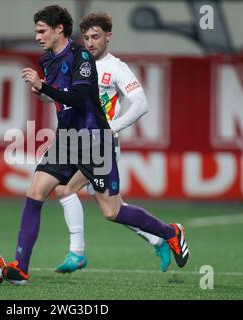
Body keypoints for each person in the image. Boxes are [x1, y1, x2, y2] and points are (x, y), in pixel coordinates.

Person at [4, 5, 189, 285]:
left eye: (42, 31)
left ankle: (169, 232)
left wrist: (44, 88)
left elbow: (78, 98)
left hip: (95, 142)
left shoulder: (83, 59)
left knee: (112, 211)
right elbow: (60, 96)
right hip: (66, 138)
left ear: (59, 30)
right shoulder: (49, 58)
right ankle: (21, 267)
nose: (37, 37)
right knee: (36, 191)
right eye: (36, 32)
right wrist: (43, 93)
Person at [54, 12, 171, 274]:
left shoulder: (116, 68)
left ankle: (77, 252)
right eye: (86, 38)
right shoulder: (76, 63)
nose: (90, 42)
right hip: (77, 141)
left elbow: (141, 104)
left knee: (65, 190)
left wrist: (110, 128)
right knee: (112, 209)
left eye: (96, 37)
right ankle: (159, 238)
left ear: (109, 37)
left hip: (101, 147)